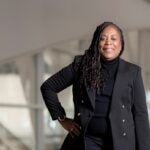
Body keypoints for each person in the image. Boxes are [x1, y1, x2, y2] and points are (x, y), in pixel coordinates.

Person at [40, 22, 150, 150]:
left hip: (122, 142)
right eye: (103, 38)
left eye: (113, 38)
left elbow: (140, 114)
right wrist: (62, 119)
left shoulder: (132, 72)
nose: (108, 42)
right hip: (88, 140)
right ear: (96, 43)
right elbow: (48, 87)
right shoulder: (81, 65)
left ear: (121, 44)